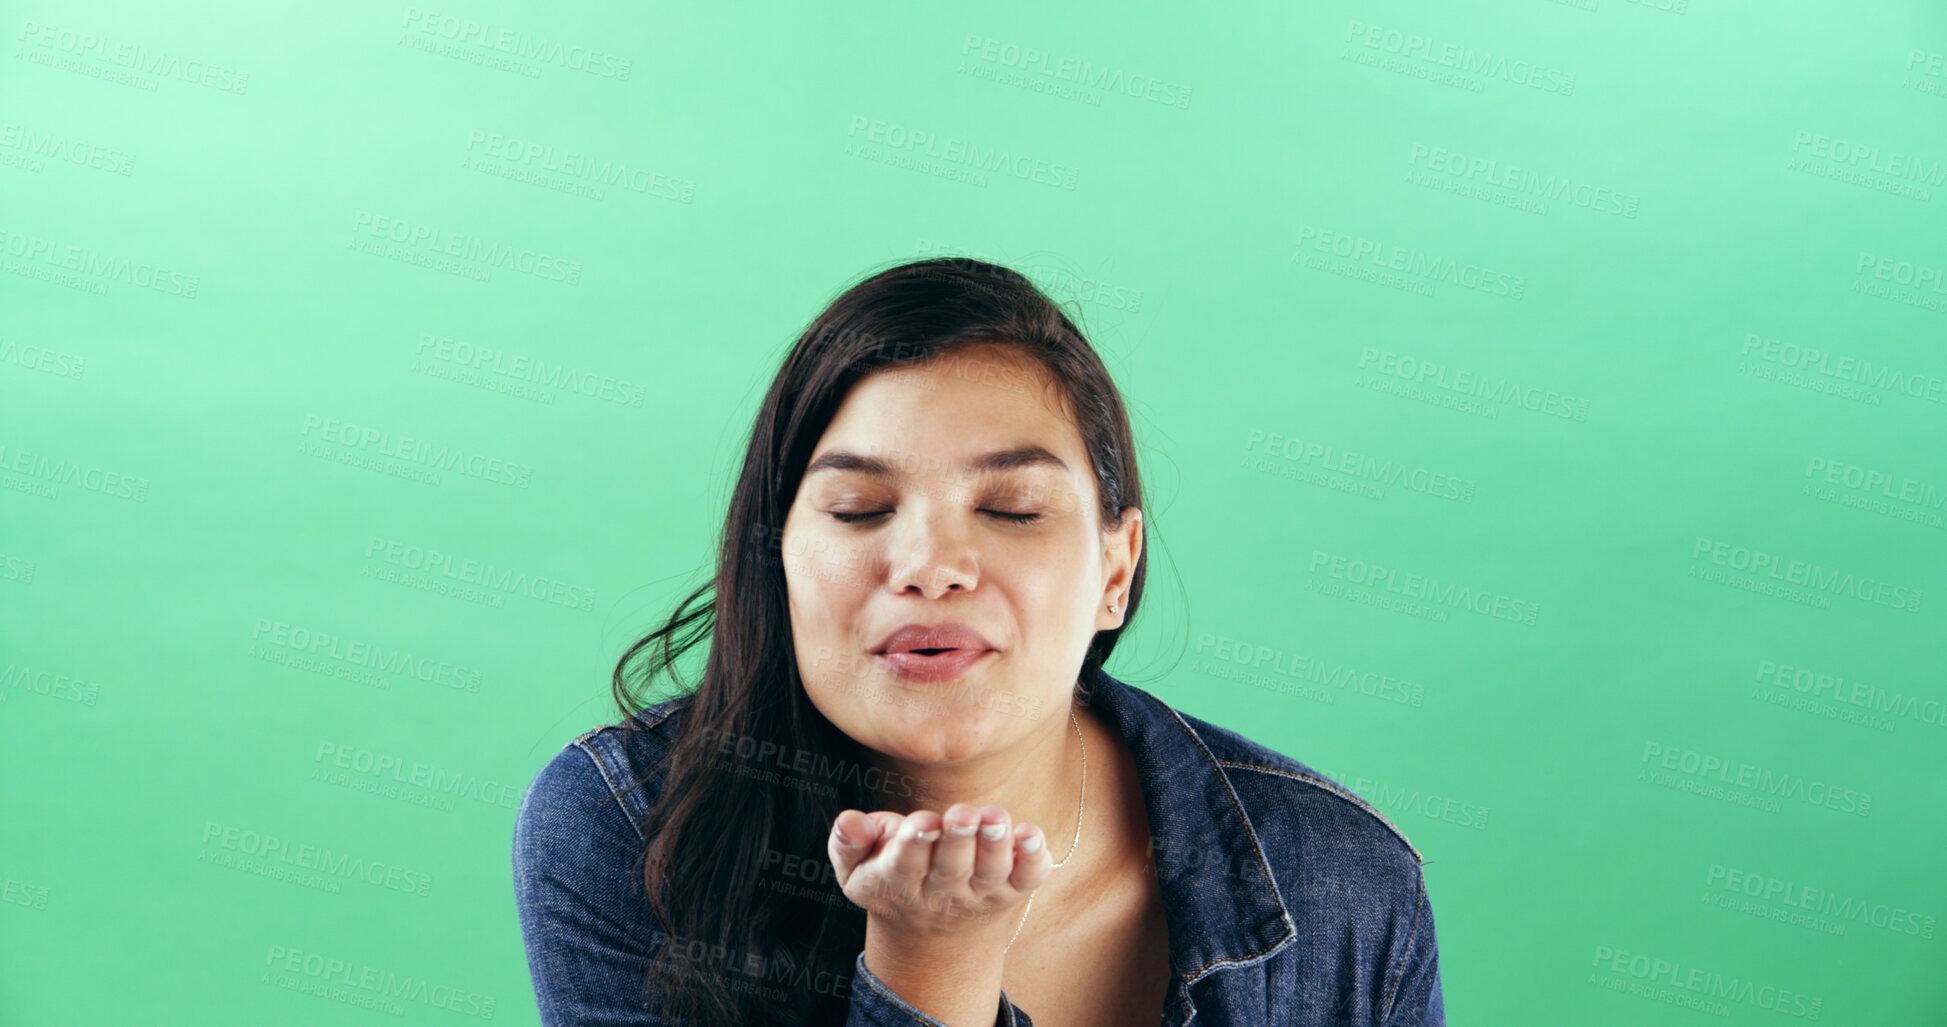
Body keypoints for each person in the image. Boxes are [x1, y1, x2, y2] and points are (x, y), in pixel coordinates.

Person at [512, 257, 1446, 1026]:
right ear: (777, 555)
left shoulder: (1344, 882)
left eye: (1010, 509)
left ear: (1114, 572)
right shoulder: (630, 829)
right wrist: (932, 967)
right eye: (860, 508)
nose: (930, 566)